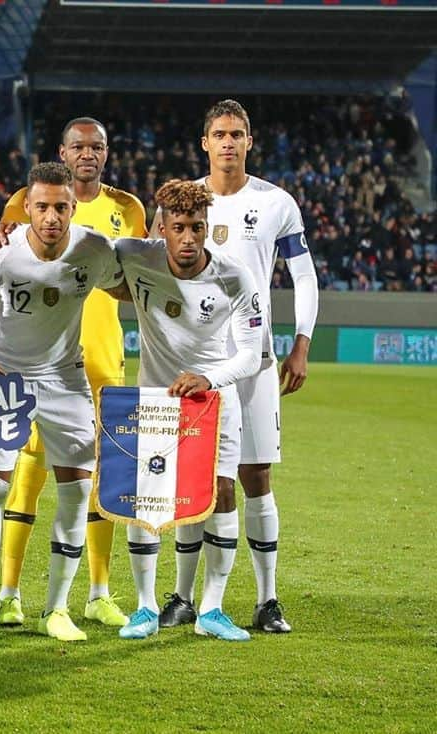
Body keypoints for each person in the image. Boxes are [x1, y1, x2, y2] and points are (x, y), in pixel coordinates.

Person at [0, 163, 126, 644]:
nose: (52, 216)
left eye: (61, 207)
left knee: (73, 494)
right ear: (26, 207)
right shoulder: (1, 252)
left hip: (67, 382)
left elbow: (127, 286)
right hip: (6, 378)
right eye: (42, 206)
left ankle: (57, 610)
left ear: (74, 206)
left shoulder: (94, 247)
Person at [160, 100, 317, 634]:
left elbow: (305, 277)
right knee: (190, 476)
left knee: (255, 475)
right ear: (204, 143)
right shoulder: (186, 203)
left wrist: (302, 341)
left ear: (250, 141)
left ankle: (268, 599)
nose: (228, 142)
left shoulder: (276, 203)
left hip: (253, 361)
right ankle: (182, 596)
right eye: (219, 134)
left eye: (237, 134)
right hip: (192, 361)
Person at [0, 117, 147, 628]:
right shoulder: (25, 201)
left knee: (98, 480)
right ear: (63, 151)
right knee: (28, 474)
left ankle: (98, 592)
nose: (87, 154)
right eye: (78, 146)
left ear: (107, 153)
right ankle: (9, 592)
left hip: (102, 362)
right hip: (44, 362)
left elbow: (138, 279)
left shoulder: (128, 210)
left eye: (96, 146)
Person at [113, 179, 262, 642]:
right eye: (178, 228)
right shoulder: (137, 256)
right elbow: (81, 249)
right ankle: (144, 606)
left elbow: (251, 355)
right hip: (156, 402)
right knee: (145, 500)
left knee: (220, 493)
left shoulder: (234, 275)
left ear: (207, 227)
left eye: (197, 227)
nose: (189, 238)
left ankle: (211, 610)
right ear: (163, 228)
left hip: (214, 400)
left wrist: (208, 378)